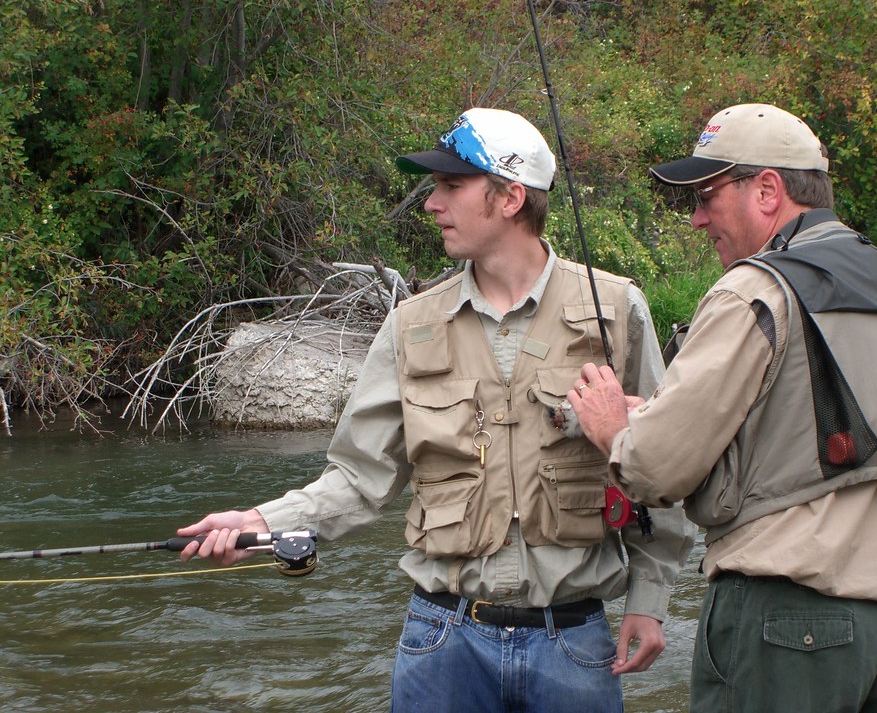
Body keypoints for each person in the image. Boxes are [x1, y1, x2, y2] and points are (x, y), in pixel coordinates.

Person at [178, 107, 695, 712]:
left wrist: (648, 601)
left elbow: (662, 468)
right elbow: (358, 478)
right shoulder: (410, 324)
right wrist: (262, 522)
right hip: (441, 641)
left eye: (452, 186)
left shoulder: (618, 308)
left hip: (576, 641)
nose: (432, 203)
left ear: (510, 198)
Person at [567, 103, 877, 712]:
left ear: (768, 190)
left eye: (706, 196)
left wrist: (614, 428)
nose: (698, 219)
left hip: (790, 627)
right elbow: (834, 442)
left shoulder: (756, 290)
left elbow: (655, 468)